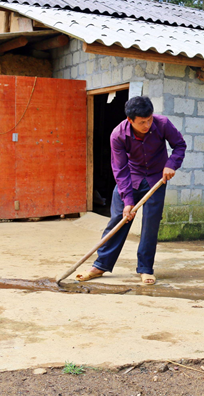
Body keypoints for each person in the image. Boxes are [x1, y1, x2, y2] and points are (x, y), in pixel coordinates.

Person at [76, 96, 186, 285]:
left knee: (150, 224)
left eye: (149, 119)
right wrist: (128, 201)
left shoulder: (162, 124)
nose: (147, 125)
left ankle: (145, 268)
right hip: (130, 178)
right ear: (130, 120)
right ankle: (101, 265)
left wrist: (171, 164)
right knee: (119, 219)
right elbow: (120, 169)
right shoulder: (118, 135)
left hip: (156, 180)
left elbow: (179, 145)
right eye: (142, 122)